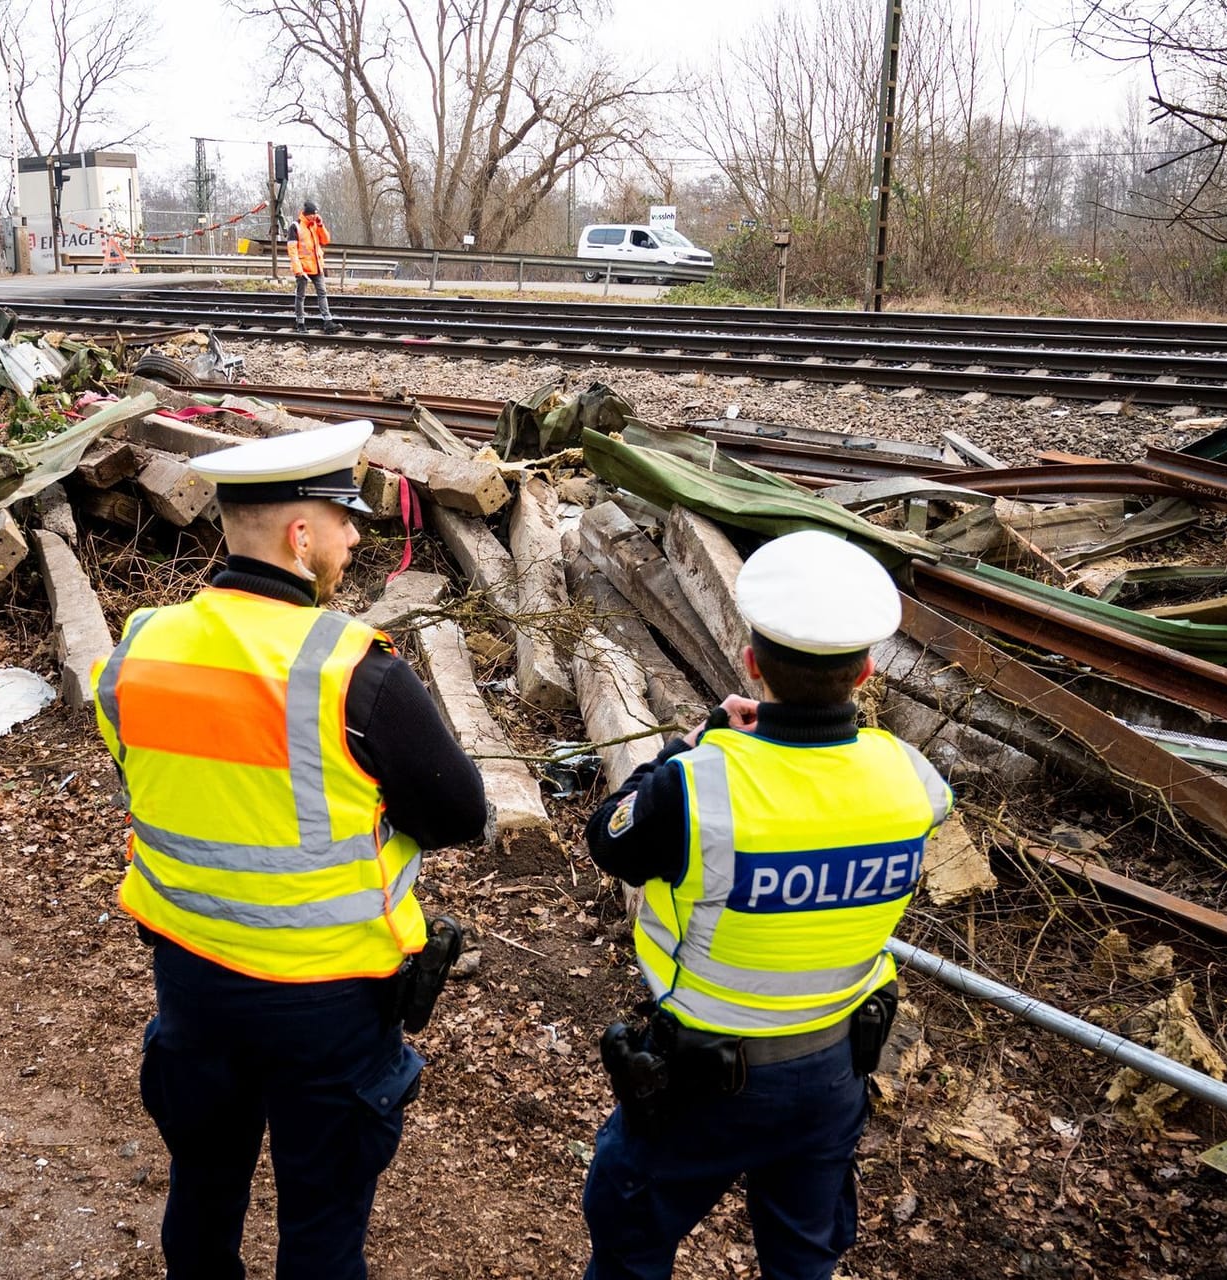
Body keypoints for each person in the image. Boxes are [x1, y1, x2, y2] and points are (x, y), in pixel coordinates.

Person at [91, 419, 487, 1280]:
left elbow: (153, 779)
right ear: (301, 537)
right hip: (327, 1001)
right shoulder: (351, 668)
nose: (354, 537)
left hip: (191, 979)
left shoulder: (137, 650)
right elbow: (460, 813)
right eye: (344, 519)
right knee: (322, 1222)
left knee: (201, 1187)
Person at [578, 530, 952, 1280]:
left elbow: (610, 841)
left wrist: (690, 747)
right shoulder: (914, 779)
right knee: (804, 1262)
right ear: (867, 671)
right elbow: (833, 802)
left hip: (701, 1084)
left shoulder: (695, 786)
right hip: (833, 1073)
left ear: (751, 664)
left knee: (631, 1245)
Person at [287, 199, 341, 334]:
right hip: (303, 268)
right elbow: (292, 250)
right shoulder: (296, 226)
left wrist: (321, 225)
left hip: (317, 266)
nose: (315, 216)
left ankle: (328, 322)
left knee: (322, 293)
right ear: (307, 214)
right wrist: (298, 270)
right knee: (300, 296)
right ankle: (300, 324)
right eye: (313, 214)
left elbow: (325, 240)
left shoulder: (315, 225)